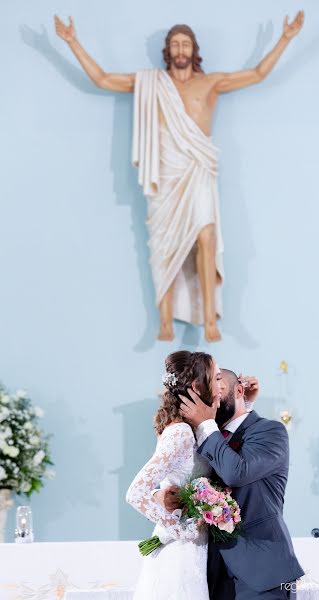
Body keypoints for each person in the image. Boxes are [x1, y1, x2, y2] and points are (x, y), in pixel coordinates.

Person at [54, 14, 305, 343]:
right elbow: (102, 79)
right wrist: (72, 41)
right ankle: (164, 320)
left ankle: (211, 320)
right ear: (168, 50)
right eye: (175, 44)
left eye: (186, 43)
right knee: (164, 245)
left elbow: (258, 74)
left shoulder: (210, 83)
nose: (180, 48)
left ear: (194, 49)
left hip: (198, 167)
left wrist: (285, 38)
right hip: (166, 173)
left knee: (206, 236)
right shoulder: (150, 83)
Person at [167, 368, 304, 599]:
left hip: (262, 571)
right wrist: (162, 494)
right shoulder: (205, 438)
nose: (213, 402)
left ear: (239, 390)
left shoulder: (270, 431)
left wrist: (208, 423)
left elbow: (236, 472)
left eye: (219, 392)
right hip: (211, 574)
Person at [125, 350, 222, 599]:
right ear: (197, 385)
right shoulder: (180, 433)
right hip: (180, 552)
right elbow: (135, 492)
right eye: (216, 378)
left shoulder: (194, 427)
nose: (221, 386)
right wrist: (179, 529)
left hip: (197, 548)